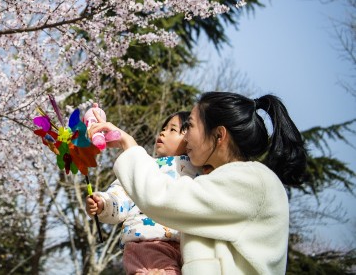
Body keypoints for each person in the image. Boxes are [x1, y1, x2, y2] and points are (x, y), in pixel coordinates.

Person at [88, 92, 307, 275]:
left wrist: (130, 146)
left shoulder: (252, 181)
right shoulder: (219, 180)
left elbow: (163, 198)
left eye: (190, 127)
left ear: (219, 136)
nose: (186, 138)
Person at [86, 111, 208, 275]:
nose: (163, 132)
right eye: (164, 128)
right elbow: (120, 194)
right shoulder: (145, 165)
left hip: (184, 245)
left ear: (190, 139)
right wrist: (104, 203)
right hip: (146, 242)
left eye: (173, 130)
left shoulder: (198, 169)